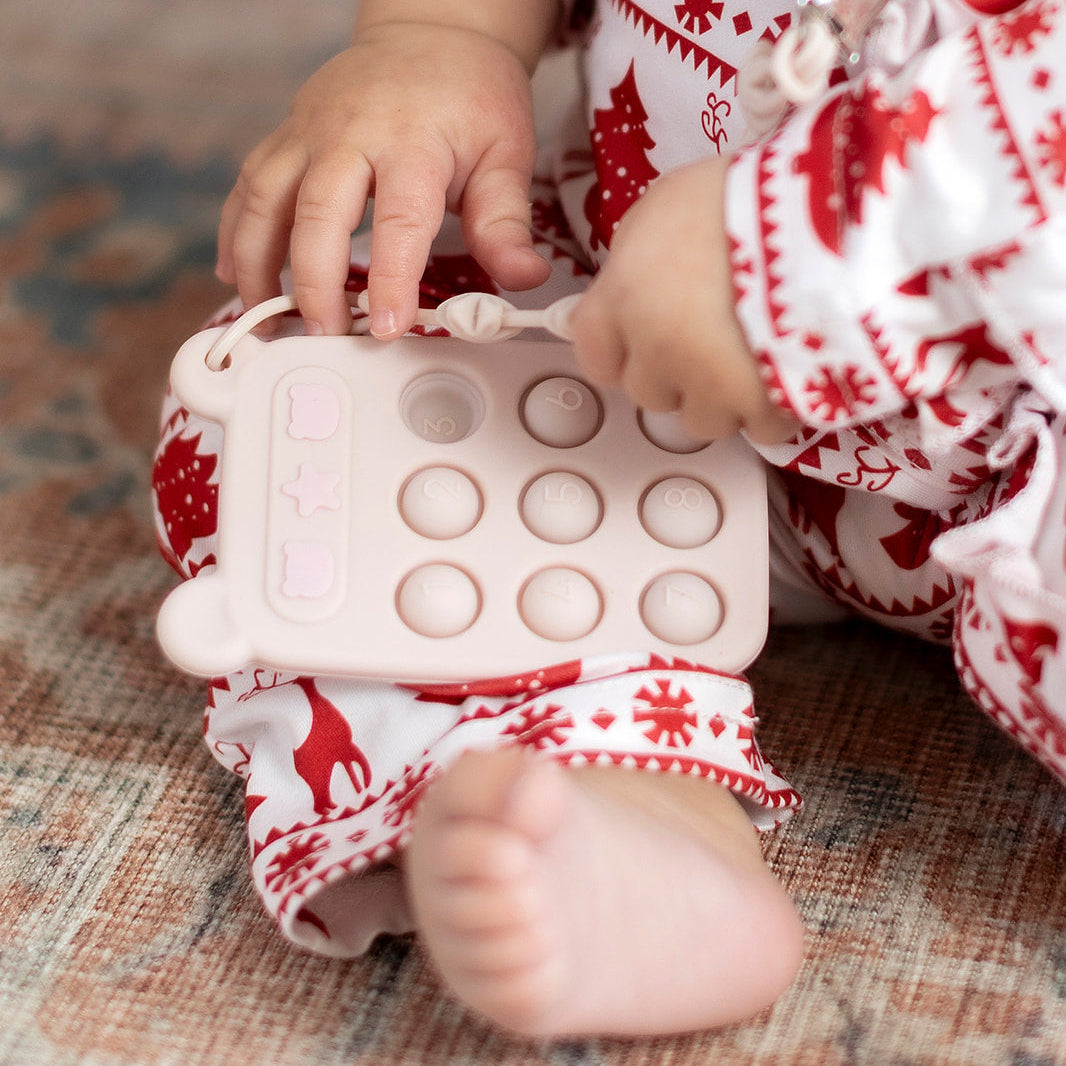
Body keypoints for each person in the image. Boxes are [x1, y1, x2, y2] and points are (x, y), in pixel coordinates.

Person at [154, 0, 1066, 1040]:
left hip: (1019, 394)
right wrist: (440, 41)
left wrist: (794, 246)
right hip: (631, 344)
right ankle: (605, 782)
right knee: (300, 411)